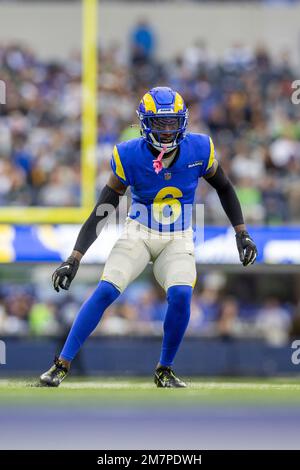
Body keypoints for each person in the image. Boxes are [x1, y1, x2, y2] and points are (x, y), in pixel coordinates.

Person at [39, 86, 257, 388]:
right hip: (138, 233)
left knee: (181, 295)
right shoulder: (128, 155)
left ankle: (164, 369)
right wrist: (74, 258)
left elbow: (225, 187)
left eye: (172, 122)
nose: (167, 130)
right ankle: (60, 364)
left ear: (183, 121)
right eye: (160, 123)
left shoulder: (199, 149)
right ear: (144, 123)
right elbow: (104, 207)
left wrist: (241, 232)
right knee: (106, 290)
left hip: (178, 236)